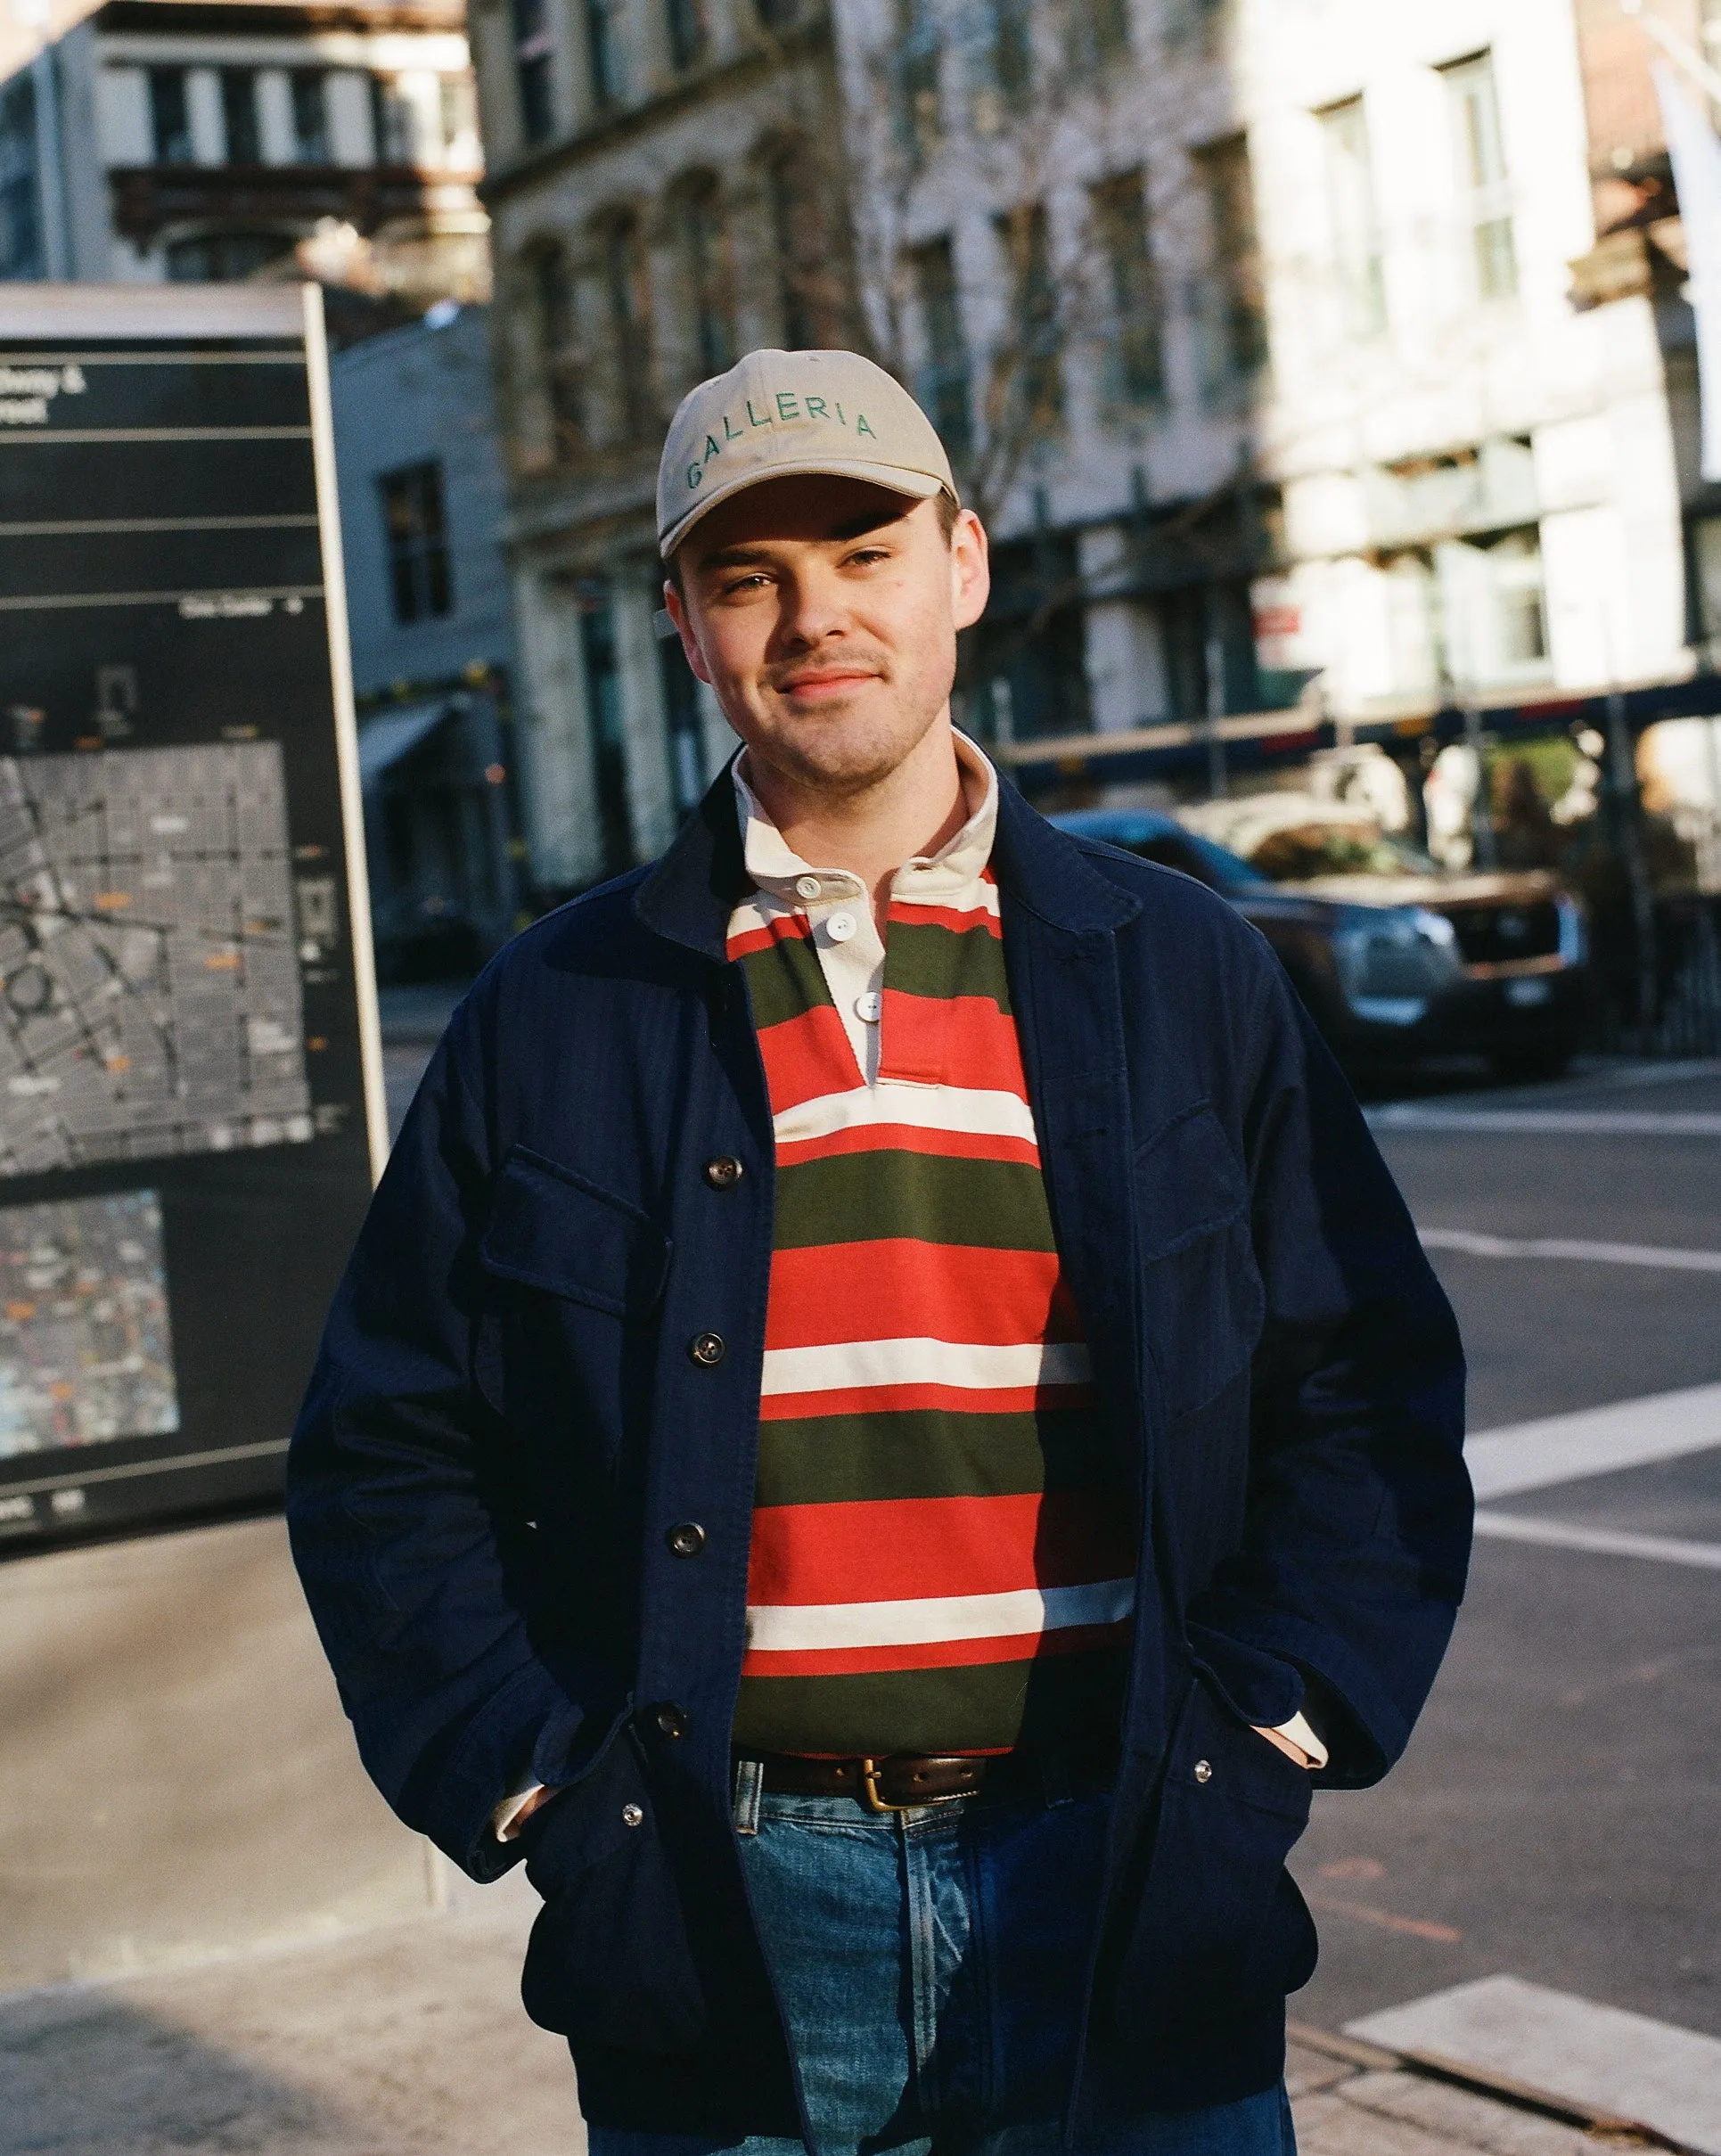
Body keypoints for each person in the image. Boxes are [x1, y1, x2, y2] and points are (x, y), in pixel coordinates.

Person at [289, 348, 1471, 2156]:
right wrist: (540, 1790)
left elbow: (1364, 1390)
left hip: (1134, 1881)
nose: (811, 616)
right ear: (682, 623)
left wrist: (1270, 1729)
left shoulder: (1176, 969)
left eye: (860, 552)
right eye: (744, 575)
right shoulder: (560, 1010)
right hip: (723, 1917)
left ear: (963, 563)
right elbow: (388, 1451)